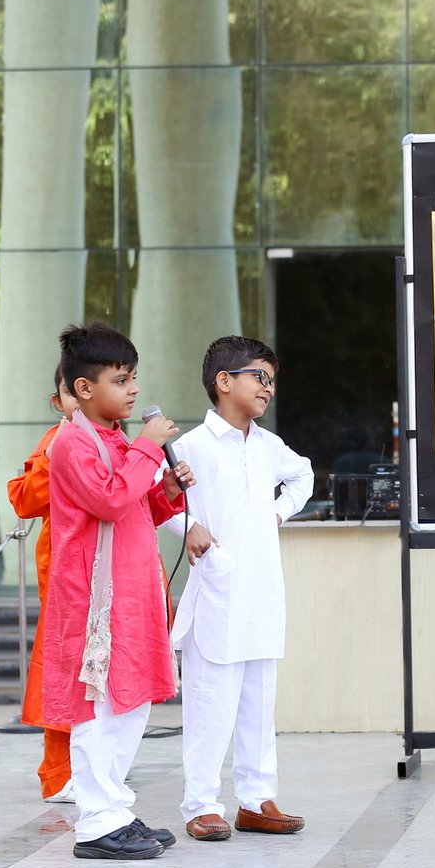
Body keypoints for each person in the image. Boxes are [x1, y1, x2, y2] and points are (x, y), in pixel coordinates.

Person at [41, 322, 194, 859]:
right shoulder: (72, 444)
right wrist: (151, 452)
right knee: (98, 709)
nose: (133, 390)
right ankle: (96, 824)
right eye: (121, 379)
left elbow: (130, 507)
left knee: (130, 705)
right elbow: (107, 500)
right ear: (84, 389)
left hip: (131, 591)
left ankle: (116, 810)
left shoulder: (117, 440)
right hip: (94, 601)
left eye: (134, 378)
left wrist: (167, 490)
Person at [166, 337, 314, 842]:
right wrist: (187, 528)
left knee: (258, 701)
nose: (268, 388)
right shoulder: (190, 447)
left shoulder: (269, 446)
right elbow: (158, 498)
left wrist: (277, 511)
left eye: (272, 380)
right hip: (217, 590)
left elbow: (304, 476)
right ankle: (202, 804)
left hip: (262, 592)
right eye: (259, 377)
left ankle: (255, 799)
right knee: (211, 702)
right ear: (223, 381)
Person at [4, 367, 79, 803]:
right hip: (65, 575)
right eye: (71, 394)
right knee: (63, 669)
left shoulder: (116, 441)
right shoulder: (55, 441)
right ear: (60, 401)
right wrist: (58, 455)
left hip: (104, 573)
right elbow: (25, 499)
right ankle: (57, 773)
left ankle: (89, 767)